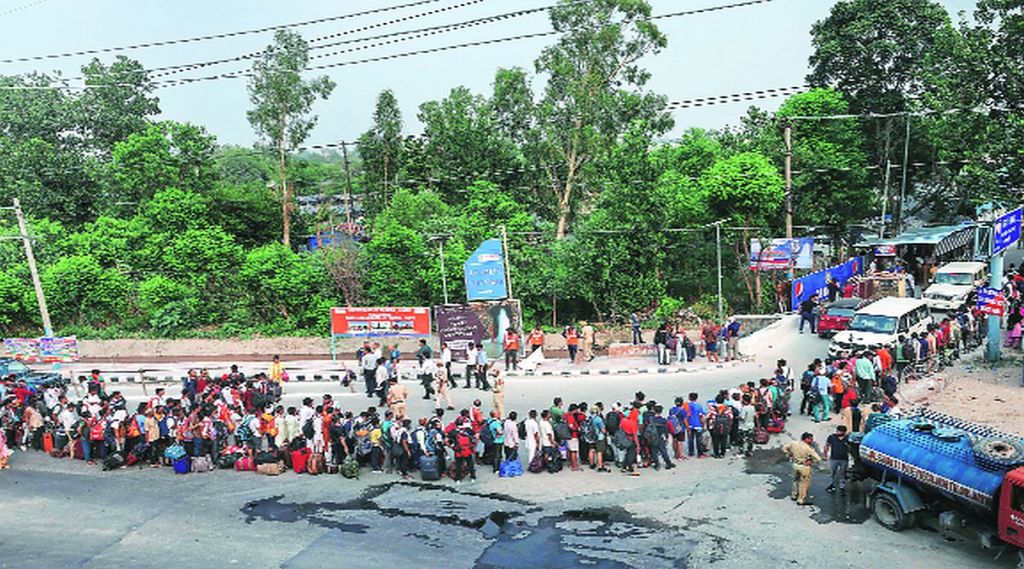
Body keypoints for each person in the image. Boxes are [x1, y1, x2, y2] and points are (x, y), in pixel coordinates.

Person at [782, 432, 822, 506]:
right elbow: (818, 459)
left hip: (795, 464)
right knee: (803, 483)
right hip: (804, 467)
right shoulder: (808, 448)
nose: (812, 440)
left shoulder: (793, 443)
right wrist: (811, 461)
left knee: (795, 480)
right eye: (810, 439)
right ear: (806, 439)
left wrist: (789, 454)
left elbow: (784, 448)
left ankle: (794, 495)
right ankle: (801, 499)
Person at [823, 425, 850, 495]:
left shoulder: (848, 438)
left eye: (840, 431)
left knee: (843, 474)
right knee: (832, 473)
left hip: (844, 459)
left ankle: (842, 487)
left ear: (844, 432)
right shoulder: (832, 437)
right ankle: (831, 485)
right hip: (833, 458)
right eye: (837, 431)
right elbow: (827, 445)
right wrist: (825, 455)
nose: (838, 432)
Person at [684, 392, 705, 458]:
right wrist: (703, 424)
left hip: (690, 424)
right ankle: (699, 453)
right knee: (698, 439)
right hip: (697, 425)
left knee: (690, 439)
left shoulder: (687, 406)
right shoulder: (699, 406)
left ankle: (691, 452)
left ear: (689, 398)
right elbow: (701, 416)